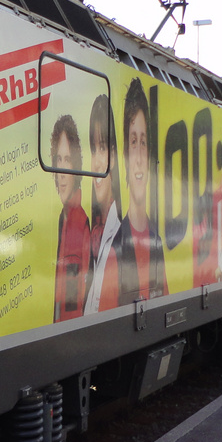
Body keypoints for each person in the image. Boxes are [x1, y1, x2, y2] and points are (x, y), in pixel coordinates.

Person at [115, 78, 166, 304]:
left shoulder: (157, 242)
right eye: (133, 142)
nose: (137, 158)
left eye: (143, 143)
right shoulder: (115, 246)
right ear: (125, 156)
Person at [84, 94, 121, 314]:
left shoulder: (118, 233)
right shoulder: (96, 234)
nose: (96, 162)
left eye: (103, 148)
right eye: (93, 150)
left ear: (114, 156)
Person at [51, 115, 90, 321]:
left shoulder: (79, 224)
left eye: (68, 160)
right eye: (58, 159)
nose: (62, 172)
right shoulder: (62, 219)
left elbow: (74, 306)